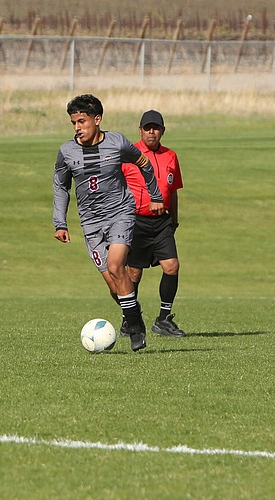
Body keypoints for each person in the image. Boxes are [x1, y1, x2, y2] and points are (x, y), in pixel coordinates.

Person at [53, 94, 163, 352]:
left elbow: (144, 163)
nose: (77, 127)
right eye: (73, 123)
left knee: (116, 266)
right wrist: (60, 223)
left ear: (97, 119)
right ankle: (134, 314)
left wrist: (155, 195)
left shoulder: (118, 143)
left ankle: (135, 328)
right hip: (90, 224)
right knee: (115, 287)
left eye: (82, 121)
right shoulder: (67, 152)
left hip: (120, 214)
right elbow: (60, 186)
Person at [123, 110, 186, 338]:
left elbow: (174, 191)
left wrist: (174, 220)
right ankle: (128, 321)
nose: (152, 132)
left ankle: (163, 319)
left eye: (156, 128)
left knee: (172, 266)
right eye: (147, 128)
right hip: (136, 221)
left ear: (163, 131)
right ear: (140, 130)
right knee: (134, 272)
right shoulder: (128, 154)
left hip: (162, 223)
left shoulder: (171, 156)